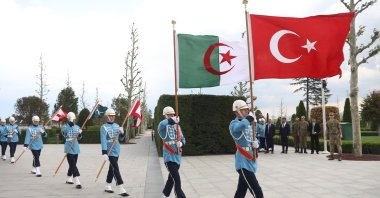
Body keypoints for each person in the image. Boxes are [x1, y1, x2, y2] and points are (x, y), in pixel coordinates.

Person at [229, 100, 263, 198]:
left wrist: (256, 144)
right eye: (244, 110)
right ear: (237, 111)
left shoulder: (249, 124)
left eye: (247, 110)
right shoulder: (234, 124)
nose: (247, 112)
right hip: (242, 161)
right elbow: (240, 126)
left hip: (250, 159)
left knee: (240, 192)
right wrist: (248, 118)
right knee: (257, 191)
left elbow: (253, 137)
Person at [158, 106, 186, 198]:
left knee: (171, 179)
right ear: (165, 116)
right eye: (169, 115)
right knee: (177, 180)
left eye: (173, 115)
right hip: (169, 157)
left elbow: (184, 140)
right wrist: (171, 120)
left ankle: (164, 195)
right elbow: (162, 124)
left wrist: (181, 143)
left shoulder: (178, 127)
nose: (172, 116)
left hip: (177, 157)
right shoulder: (163, 127)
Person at [100, 108, 129, 197]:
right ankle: (120, 187)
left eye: (113, 116)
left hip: (116, 149)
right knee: (115, 168)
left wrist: (122, 133)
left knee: (112, 168)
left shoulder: (117, 125)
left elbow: (121, 139)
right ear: (107, 116)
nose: (112, 117)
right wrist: (104, 152)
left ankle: (108, 185)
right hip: (109, 151)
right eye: (110, 116)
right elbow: (103, 140)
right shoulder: (103, 127)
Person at [62, 112, 83, 189]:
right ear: (68, 119)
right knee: (73, 164)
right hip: (68, 147)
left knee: (72, 164)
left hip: (76, 147)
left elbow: (80, 138)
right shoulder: (64, 127)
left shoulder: (77, 127)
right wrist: (69, 126)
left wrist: (80, 134)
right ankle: (77, 180)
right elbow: (64, 134)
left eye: (73, 119)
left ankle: (68, 178)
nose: (73, 121)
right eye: (71, 119)